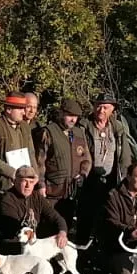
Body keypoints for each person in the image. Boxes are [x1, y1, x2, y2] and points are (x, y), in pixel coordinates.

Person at [80, 92, 137, 244]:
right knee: (86, 217)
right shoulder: (84, 126)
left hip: (111, 180)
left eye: (105, 107)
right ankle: (82, 254)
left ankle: (102, 252)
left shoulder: (118, 128)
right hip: (89, 180)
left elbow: (125, 156)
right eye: (98, 106)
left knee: (107, 219)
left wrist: (123, 179)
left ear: (112, 110)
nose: (101, 110)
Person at [35, 97, 91, 231]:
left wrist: (83, 174)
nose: (73, 120)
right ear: (61, 113)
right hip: (52, 190)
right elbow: (39, 161)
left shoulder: (79, 133)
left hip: (72, 191)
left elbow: (86, 158)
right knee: (49, 227)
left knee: (66, 227)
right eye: (70, 116)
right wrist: (41, 184)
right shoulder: (48, 132)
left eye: (76, 117)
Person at [0, 166, 68, 250]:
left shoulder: (37, 197)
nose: (28, 186)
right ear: (15, 181)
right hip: (16, 243)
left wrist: (62, 233)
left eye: (31, 182)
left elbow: (56, 217)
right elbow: (13, 228)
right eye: (24, 181)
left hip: (33, 241)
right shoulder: (7, 199)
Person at [0, 92, 39, 194]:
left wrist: (35, 174)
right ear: (9, 110)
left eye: (24, 108)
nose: (24, 112)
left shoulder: (25, 127)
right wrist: (12, 172)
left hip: (24, 185)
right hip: (4, 186)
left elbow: (31, 153)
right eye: (20, 109)